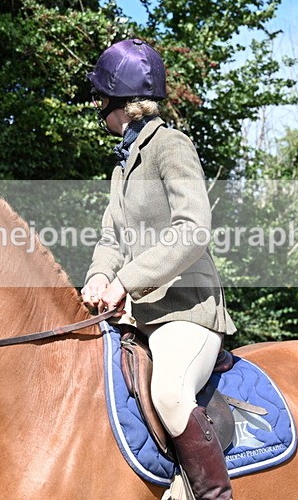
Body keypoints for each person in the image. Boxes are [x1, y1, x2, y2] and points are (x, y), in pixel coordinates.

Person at [81, 38, 238, 500]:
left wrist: (126, 281)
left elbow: (193, 230)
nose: (96, 105)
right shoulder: (122, 164)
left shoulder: (171, 145)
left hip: (187, 311)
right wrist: (98, 276)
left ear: (122, 102)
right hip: (138, 318)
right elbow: (112, 238)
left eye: (100, 97)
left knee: (169, 394)